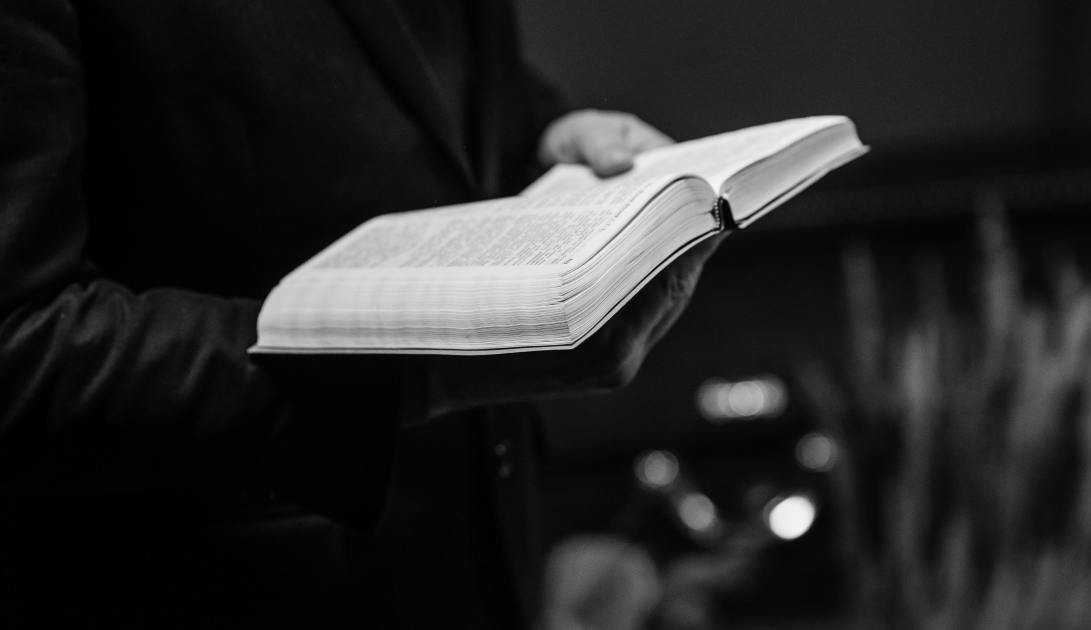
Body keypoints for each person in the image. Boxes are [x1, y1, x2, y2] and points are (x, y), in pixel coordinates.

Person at [0, 0, 724, 627]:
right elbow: (19, 343)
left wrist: (545, 137)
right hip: (230, 585)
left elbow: (422, 91)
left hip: (486, 555)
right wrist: (417, 372)